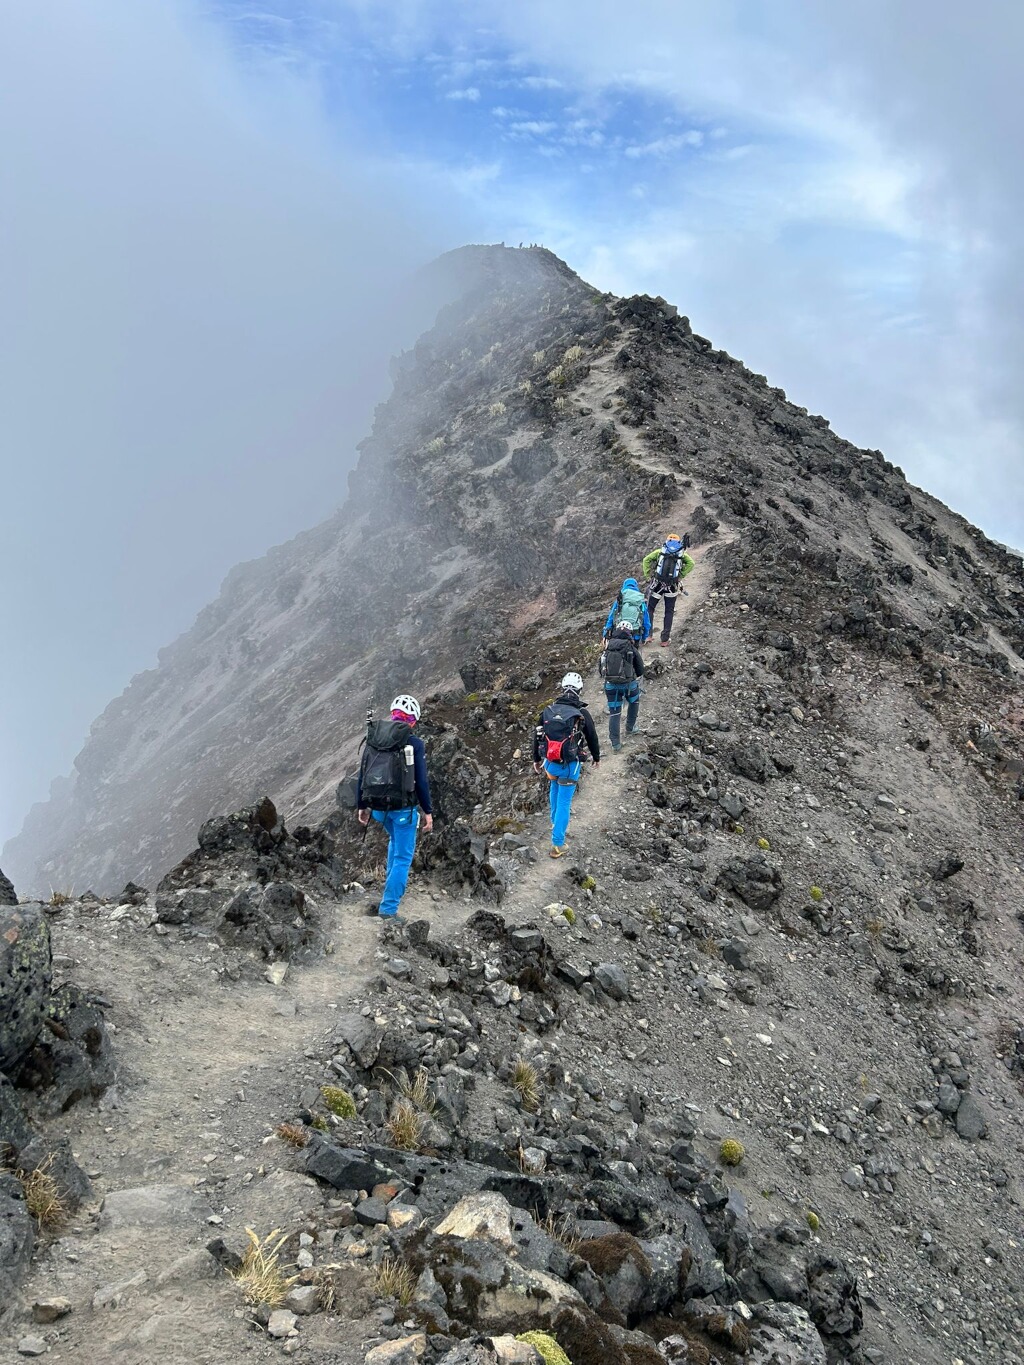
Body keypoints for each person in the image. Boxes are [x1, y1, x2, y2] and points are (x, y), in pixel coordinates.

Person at [356, 693, 433, 923]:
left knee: (394, 844)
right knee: (402, 857)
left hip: (379, 809)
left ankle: (388, 895)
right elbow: (421, 780)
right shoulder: (414, 743)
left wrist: (362, 805)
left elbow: (363, 772)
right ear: (413, 720)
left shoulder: (375, 736)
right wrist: (427, 811)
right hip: (404, 810)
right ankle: (389, 910)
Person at [533, 671, 600, 859]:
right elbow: (592, 737)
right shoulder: (581, 714)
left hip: (550, 762)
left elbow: (537, 736)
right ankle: (557, 844)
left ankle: (556, 824)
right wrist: (596, 757)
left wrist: (536, 760)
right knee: (564, 801)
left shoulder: (548, 710)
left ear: (562, 688)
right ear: (579, 690)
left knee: (554, 788)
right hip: (570, 764)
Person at [642, 533, 695, 646]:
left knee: (650, 608)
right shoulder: (681, 554)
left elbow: (646, 560)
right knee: (669, 611)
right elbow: (691, 563)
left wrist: (648, 576)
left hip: (657, 584)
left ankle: (649, 635)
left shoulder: (660, 552)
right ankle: (665, 640)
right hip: (672, 586)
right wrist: (681, 575)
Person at [601, 621, 645, 750]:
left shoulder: (608, 646)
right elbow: (640, 669)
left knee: (614, 713)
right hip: (628, 684)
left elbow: (601, 668)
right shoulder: (630, 647)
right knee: (634, 701)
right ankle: (630, 728)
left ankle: (615, 743)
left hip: (610, 686)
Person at [602, 577, 651, 644]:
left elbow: (611, 617)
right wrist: (644, 637)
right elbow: (646, 622)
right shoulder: (640, 601)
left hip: (619, 634)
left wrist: (606, 633)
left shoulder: (620, 599)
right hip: (635, 636)